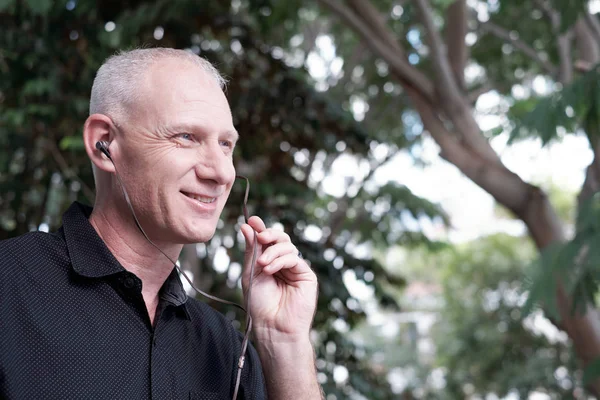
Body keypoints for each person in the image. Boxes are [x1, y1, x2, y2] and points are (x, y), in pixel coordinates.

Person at [0, 48, 323, 399]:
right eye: (186, 137)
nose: (221, 172)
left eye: (226, 144)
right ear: (103, 143)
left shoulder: (224, 348)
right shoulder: (9, 284)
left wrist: (285, 343)